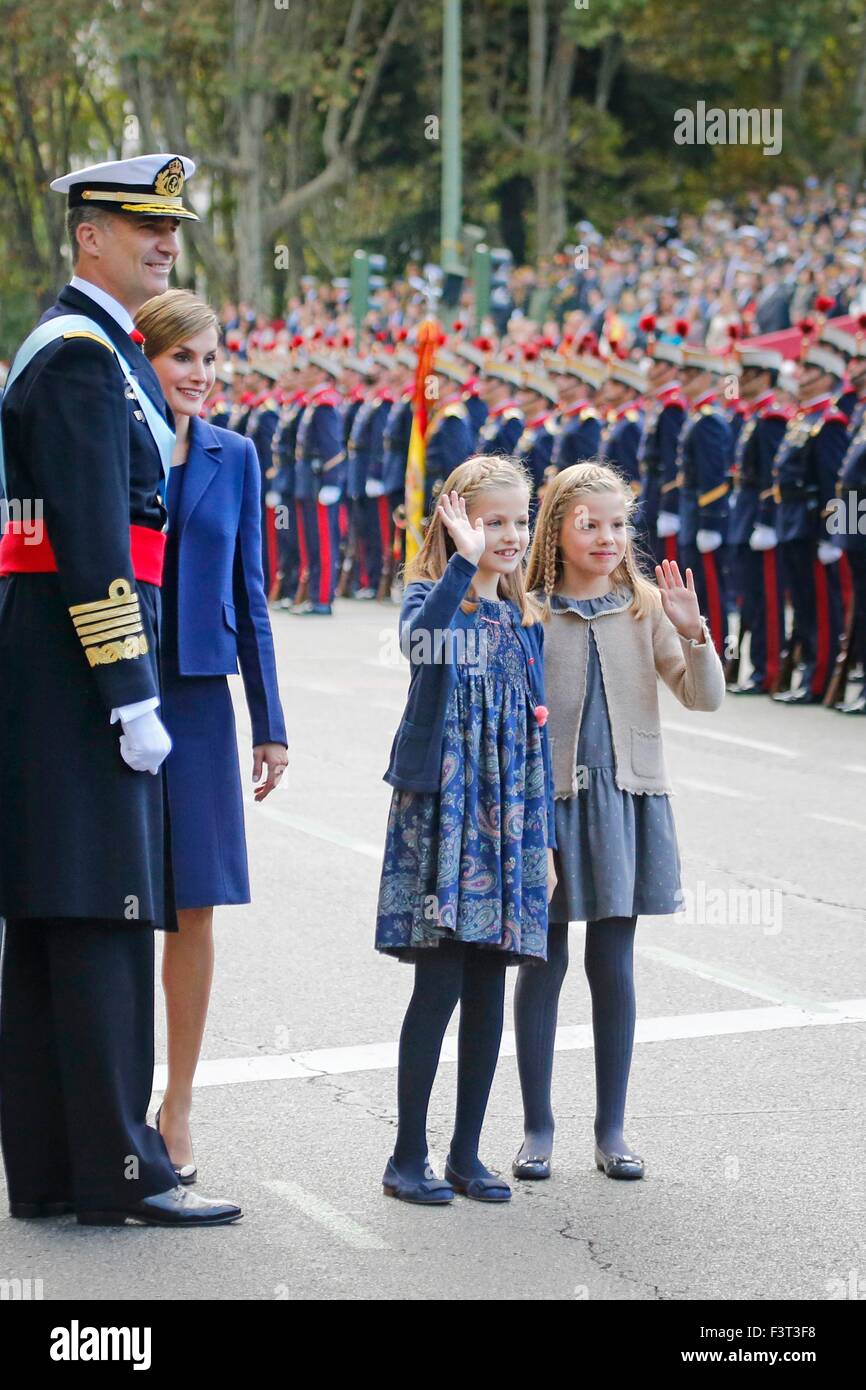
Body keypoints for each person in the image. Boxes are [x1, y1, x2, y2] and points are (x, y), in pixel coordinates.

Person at [0, 154, 240, 1226]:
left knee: (59, 919)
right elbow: (96, 540)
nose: (165, 245)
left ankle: (57, 1169)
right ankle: (124, 1171)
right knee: (104, 915)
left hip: (55, 670)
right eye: (143, 227)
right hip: (81, 672)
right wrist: (131, 691)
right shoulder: (84, 355)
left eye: (171, 230)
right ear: (87, 234)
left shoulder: (88, 353)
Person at [512, 462, 725, 1183]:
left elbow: (705, 700)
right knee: (542, 961)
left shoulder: (644, 608)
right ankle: (537, 1126)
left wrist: (695, 635)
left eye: (617, 525)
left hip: (628, 800)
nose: (606, 538)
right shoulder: (530, 610)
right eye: (589, 525)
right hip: (551, 805)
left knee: (614, 963)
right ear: (558, 530)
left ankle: (612, 1128)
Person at [375, 456, 557, 1205]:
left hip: (507, 821)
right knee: (439, 982)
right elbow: (422, 647)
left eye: (519, 522)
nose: (510, 536)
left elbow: (538, 737)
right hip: (445, 815)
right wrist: (462, 563)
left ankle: (466, 1153)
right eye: (493, 522)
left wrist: (542, 841)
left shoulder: (523, 620)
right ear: (457, 521)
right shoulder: (433, 595)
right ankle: (405, 1156)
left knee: (488, 986)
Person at [135, 289, 288, 1181]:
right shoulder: (122, 440)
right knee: (115, 900)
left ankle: (178, 1104)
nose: (199, 375)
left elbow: (251, 593)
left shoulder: (239, 455)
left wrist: (269, 725)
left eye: (208, 359)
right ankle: (112, 1098)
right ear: (146, 361)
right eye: (180, 357)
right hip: (112, 687)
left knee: (194, 906)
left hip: (196, 698)